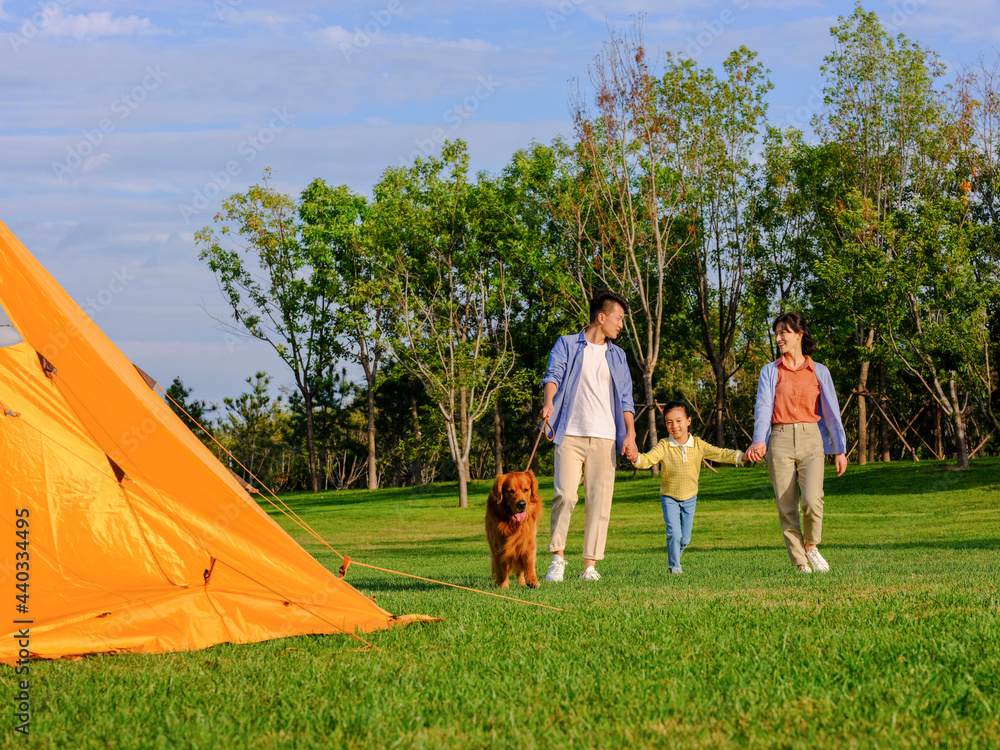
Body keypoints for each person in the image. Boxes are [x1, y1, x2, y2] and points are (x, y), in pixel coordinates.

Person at [539, 290, 638, 582]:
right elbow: (553, 374)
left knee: (599, 500)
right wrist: (548, 402)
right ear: (602, 316)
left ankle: (589, 567)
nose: (622, 325)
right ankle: (558, 559)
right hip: (570, 433)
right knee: (566, 495)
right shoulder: (567, 344)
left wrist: (630, 435)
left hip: (605, 437)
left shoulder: (618, 356)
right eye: (619, 319)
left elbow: (626, 400)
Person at [744, 312, 848, 573]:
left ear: (799, 335)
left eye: (784, 332)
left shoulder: (819, 371)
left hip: (811, 438)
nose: (778, 338)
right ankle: (800, 561)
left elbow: (832, 412)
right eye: (776, 333)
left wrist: (839, 449)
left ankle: (811, 545)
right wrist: (759, 441)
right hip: (779, 440)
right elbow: (764, 408)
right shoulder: (769, 371)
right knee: (786, 505)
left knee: (813, 500)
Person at [631, 400, 747, 575]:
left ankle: (676, 556)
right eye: (669, 422)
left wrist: (742, 457)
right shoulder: (664, 445)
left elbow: (720, 453)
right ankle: (674, 567)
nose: (674, 426)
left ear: (688, 421)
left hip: (690, 497)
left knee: (685, 538)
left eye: (678, 421)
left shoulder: (698, 445)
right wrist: (636, 458)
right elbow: (648, 460)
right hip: (669, 497)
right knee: (674, 534)